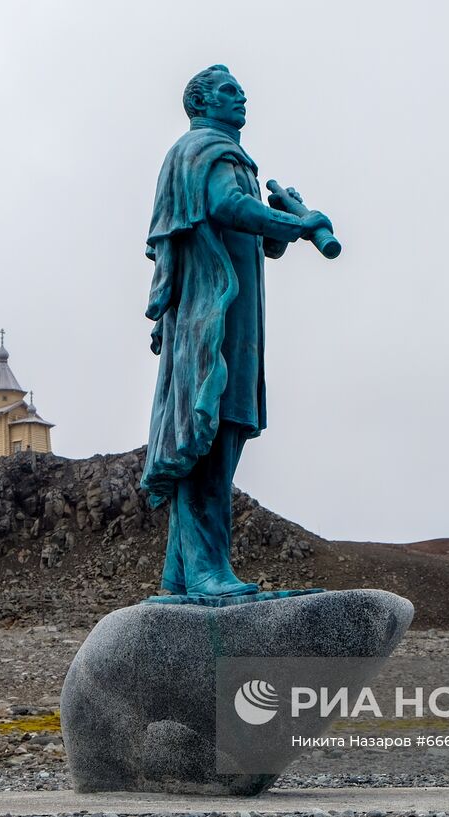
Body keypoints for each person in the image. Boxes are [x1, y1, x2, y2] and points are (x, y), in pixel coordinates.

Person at [140, 64, 333, 597]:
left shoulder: (229, 161)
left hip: (234, 316)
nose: (241, 96)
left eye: (241, 90)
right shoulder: (206, 150)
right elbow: (226, 206)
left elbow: (245, 233)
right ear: (200, 103)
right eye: (228, 91)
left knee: (220, 432)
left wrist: (278, 223)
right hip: (214, 315)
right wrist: (298, 224)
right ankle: (208, 573)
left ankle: (180, 576)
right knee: (211, 432)